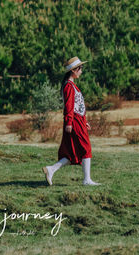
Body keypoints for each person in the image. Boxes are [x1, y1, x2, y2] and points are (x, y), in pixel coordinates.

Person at [43, 56, 99, 187]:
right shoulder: (69, 86)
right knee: (86, 148)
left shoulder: (71, 85)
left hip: (77, 120)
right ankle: (86, 180)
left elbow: (77, 106)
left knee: (72, 152)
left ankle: (50, 170)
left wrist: (84, 121)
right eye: (80, 69)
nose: (81, 71)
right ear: (74, 70)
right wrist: (69, 122)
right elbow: (69, 106)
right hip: (74, 121)